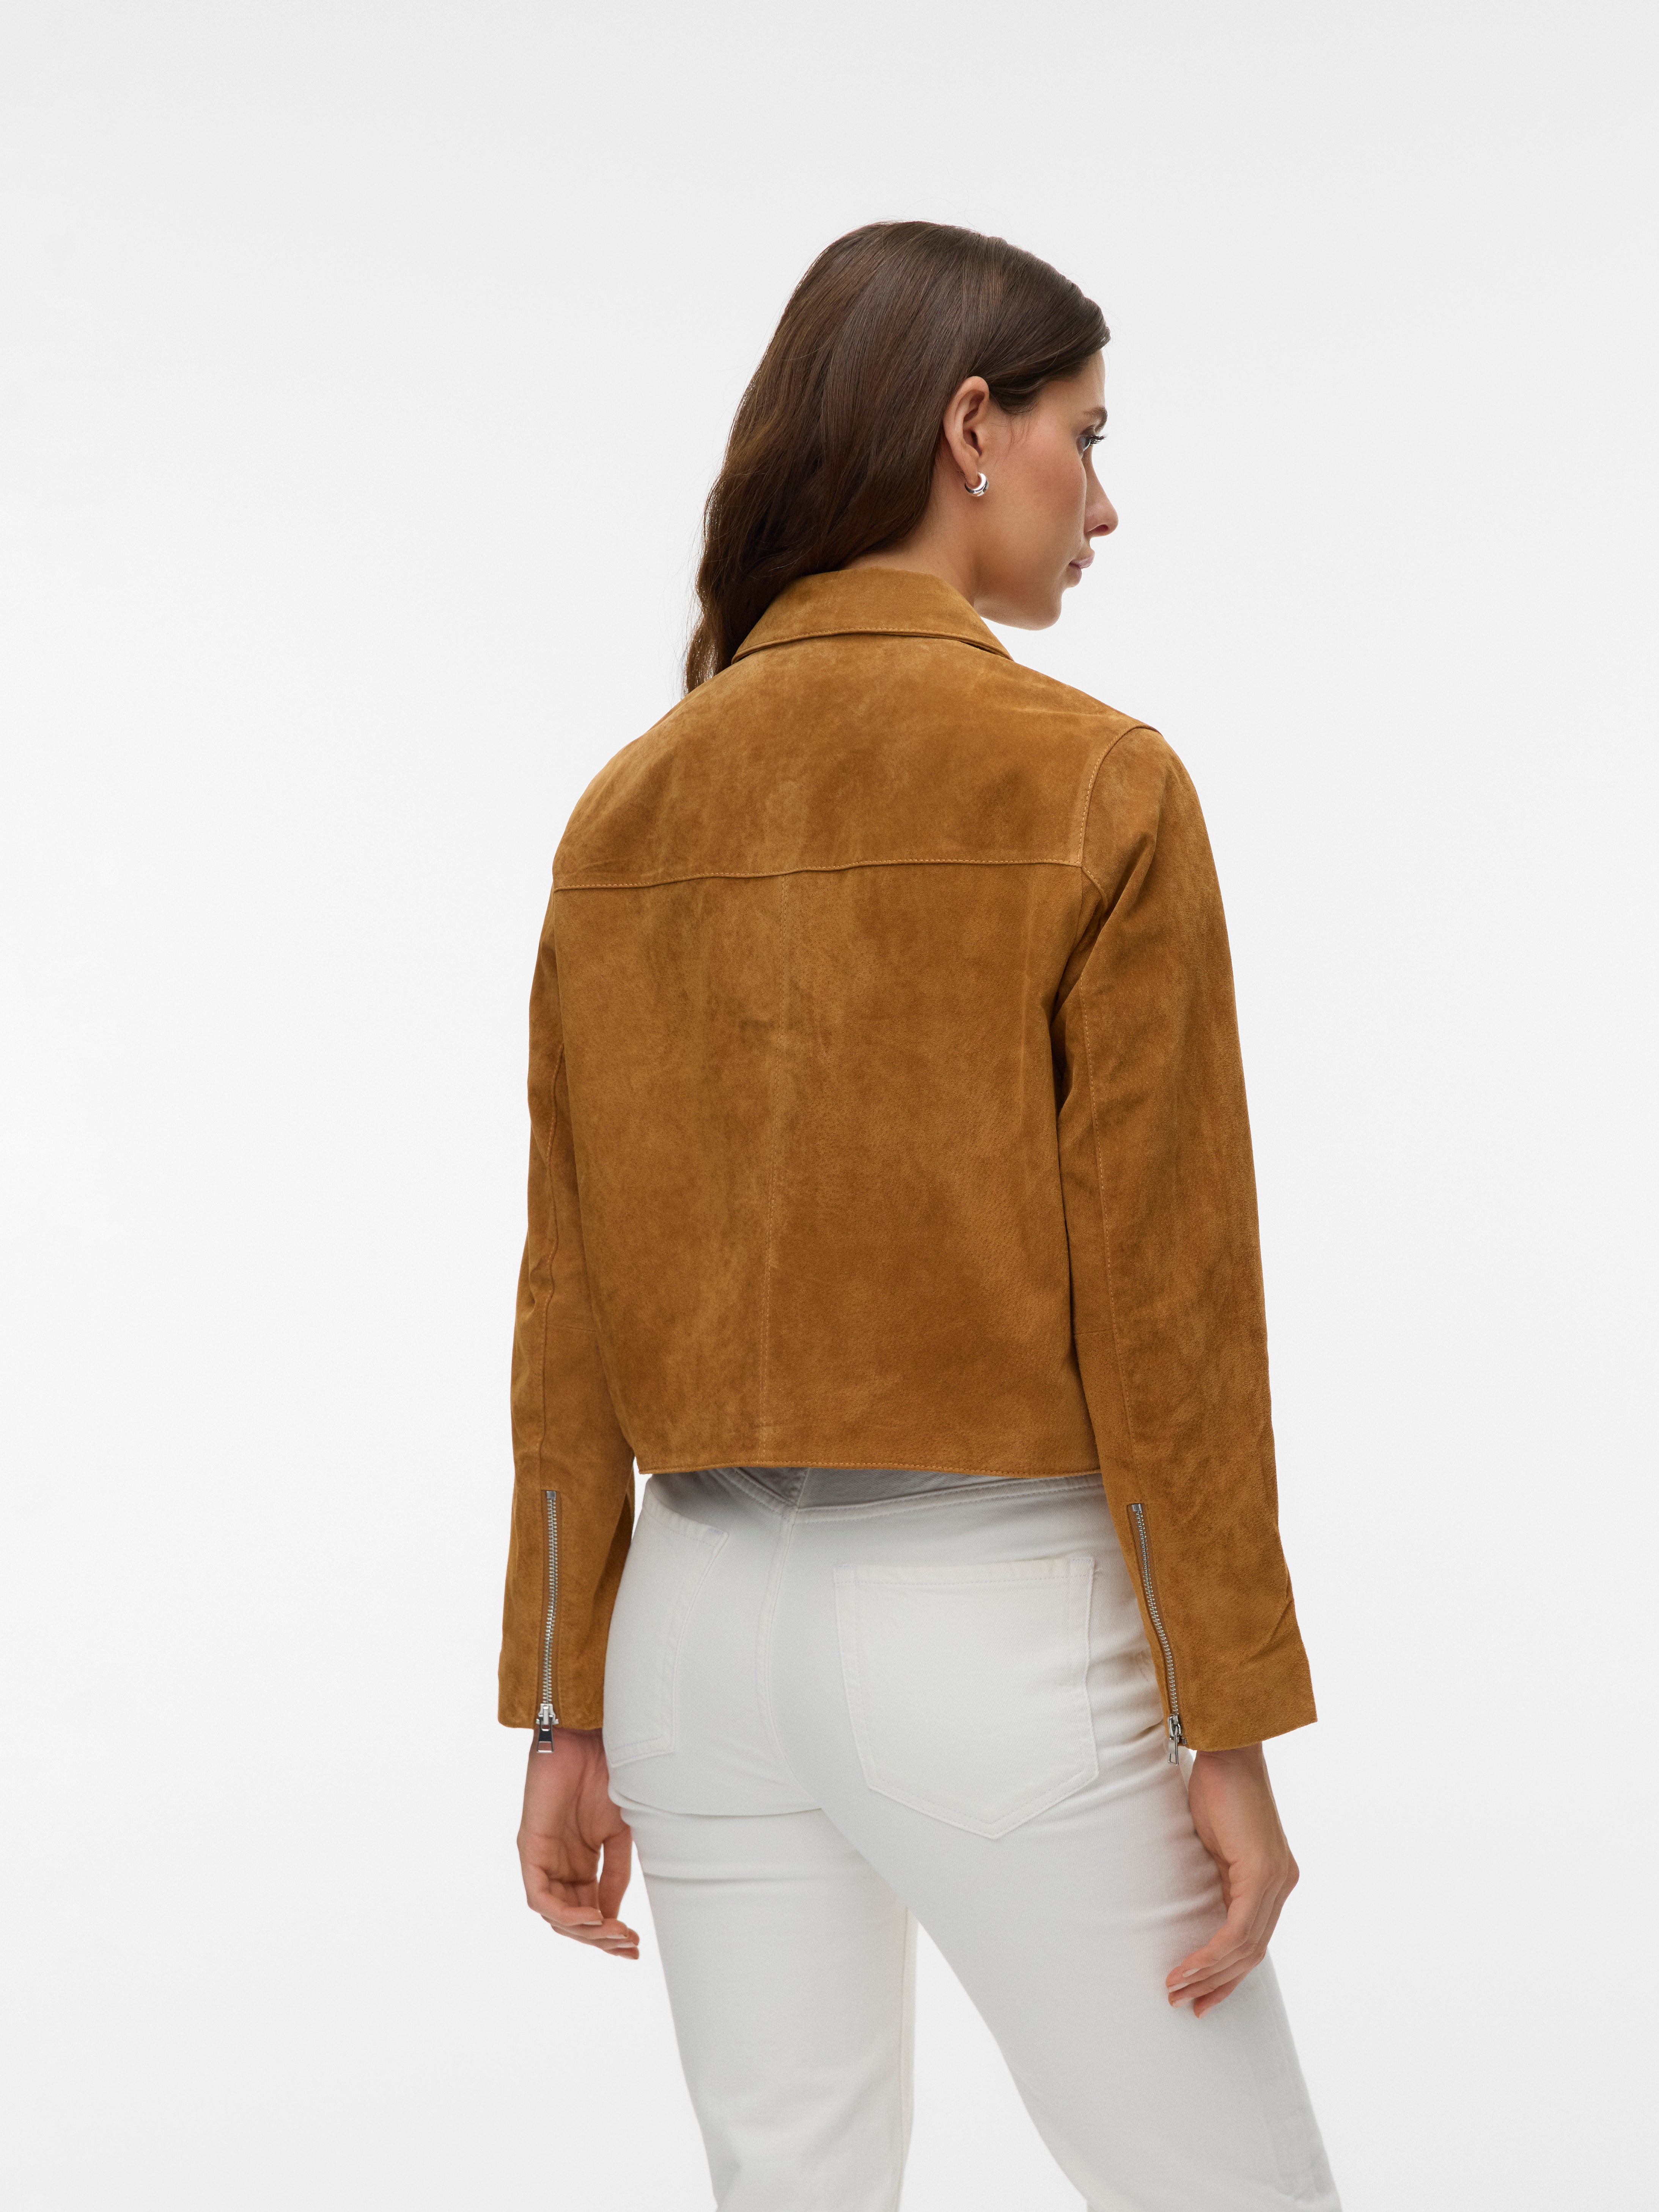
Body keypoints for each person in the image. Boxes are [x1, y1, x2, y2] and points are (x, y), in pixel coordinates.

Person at [498, 220, 1341, 2211]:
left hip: (693, 1639)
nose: (1102, 503)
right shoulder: (1096, 787)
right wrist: (1229, 1722)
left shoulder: (627, 806)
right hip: (997, 1634)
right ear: (972, 427)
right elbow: (1170, 1308)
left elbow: (569, 1302)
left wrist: (565, 1697)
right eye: (1083, 436)